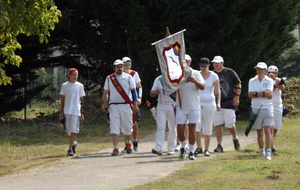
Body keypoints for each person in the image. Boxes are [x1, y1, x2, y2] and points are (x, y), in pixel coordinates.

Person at [102, 59, 139, 156]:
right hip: (113, 106)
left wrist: (135, 105)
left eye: (121, 66)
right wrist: (105, 103)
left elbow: (133, 92)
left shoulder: (128, 77)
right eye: (118, 66)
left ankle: (128, 144)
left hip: (125, 105)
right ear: (114, 68)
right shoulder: (110, 78)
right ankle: (115, 148)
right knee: (114, 127)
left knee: (127, 127)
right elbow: (106, 92)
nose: (120, 68)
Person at [176, 54, 205, 160]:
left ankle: (191, 151)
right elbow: (171, 88)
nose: (185, 63)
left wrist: (194, 81)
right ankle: (183, 146)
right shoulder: (177, 74)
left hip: (194, 106)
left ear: (190, 62)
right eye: (183, 62)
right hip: (181, 106)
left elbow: (203, 86)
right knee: (180, 129)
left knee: (192, 128)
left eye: (187, 61)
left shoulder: (196, 73)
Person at [212, 55, 241, 152]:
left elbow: (238, 83)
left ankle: (234, 137)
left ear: (222, 63)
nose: (216, 64)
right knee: (217, 123)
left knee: (230, 123)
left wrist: (237, 97)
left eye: (218, 63)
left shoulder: (230, 72)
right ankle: (219, 145)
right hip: (216, 102)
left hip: (229, 101)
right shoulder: (212, 74)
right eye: (214, 63)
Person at [195, 57, 221, 157]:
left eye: (204, 66)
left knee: (208, 125)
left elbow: (217, 91)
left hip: (209, 103)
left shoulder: (214, 76)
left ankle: (206, 149)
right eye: (201, 66)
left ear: (208, 66)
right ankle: (199, 147)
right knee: (197, 124)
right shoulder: (196, 74)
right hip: (197, 102)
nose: (203, 68)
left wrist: (218, 102)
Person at [248, 62, 274, 160]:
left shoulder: (269, 80)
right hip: (256, 107)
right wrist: (263, 93)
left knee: (267, 130)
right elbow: (250, 94)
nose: (259, 71)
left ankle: (268, 152)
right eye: (258, 69)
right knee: (259, 131)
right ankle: (262, 150)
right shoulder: (252, 80)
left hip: (267, 107)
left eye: (262, 69)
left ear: (265, 70)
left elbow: (269, 94)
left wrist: (257, 93)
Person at [59, 68, 85, 156]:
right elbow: (62, 99)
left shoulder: (80, 86)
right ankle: (73, 143)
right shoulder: (65, 85)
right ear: (69, 76)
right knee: (68, 130)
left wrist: (81, 112)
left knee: (74, 129)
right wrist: (61, 111)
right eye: (73, 74)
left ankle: (70, 148)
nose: (75, 76)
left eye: (76, 75)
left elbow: (81, 99)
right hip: (67, 110)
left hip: (76, 110)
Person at [150, 75, 177, 155]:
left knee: (172, 127)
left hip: (172, 104)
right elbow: (151, 93)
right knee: (160, 126)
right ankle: (158, 148)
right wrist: (155, 92)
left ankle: (171, 148)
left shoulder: (175, 78)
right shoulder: (159, 79)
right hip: (161, 104)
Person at [122, 56, 142, 152]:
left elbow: (139, 86)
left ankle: (135, 140)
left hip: (133, 101)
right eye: (125, 65)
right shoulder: (119, 76)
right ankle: (127, 143)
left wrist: (139, 98)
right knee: (125, 123)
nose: (127, 67)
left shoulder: (134, 74)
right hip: (123, 102)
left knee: (134, 122)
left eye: (129, 65)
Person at [267, 65, 285, 155]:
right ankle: (271, 146)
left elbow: (282, 88)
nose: (272, 74)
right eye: (270, 73)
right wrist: (274, 82)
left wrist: (277, 81)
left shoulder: (280, 79)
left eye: (274, 73)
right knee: (270, 126)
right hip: (269, 105)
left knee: (276, 127)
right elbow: (271, 90)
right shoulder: (266, 81)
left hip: (278, 105)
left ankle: (270, 142)